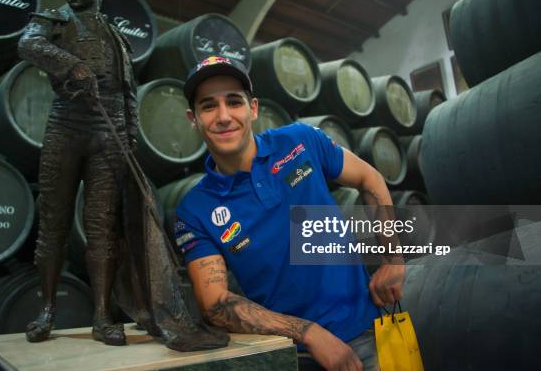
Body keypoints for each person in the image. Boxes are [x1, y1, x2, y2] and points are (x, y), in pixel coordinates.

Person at [173, 56, 405, 370]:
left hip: (369, 333)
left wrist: (392, 258)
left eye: (234, 102)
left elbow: (370, 178)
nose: (224, 116)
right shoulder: (194, 210)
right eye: (209, 106)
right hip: (291, 357)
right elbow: (215, 304)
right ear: (193, 118)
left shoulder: (300, 141)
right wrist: (307, 333)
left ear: (252, 108)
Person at [18, 0, 137, 346]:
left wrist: (130, 136)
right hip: (66, 128)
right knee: (52, 224)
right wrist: (71, 64)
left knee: (103, 230)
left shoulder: (117, 36)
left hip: (111, 132)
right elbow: (28, 44)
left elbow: (128, 90)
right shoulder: (54, 19)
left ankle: (102, 317)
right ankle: (48, 310)